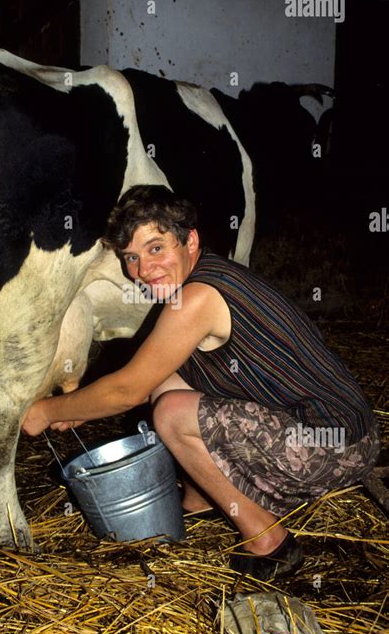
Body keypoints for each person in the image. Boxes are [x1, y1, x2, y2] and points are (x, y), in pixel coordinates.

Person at [22, 185, 380, 579]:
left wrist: (46, 411)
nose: (143, 270)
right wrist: (83, 409)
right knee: (167, 386)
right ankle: (202, 499)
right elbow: (151, 380)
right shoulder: (210, 273)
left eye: (156, 248)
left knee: (172, 413)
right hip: (343, 428)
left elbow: (127, 391)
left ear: (190, 240)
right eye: (132, 258)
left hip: (337, 447)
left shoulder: (197, 299)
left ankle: (268, 542)